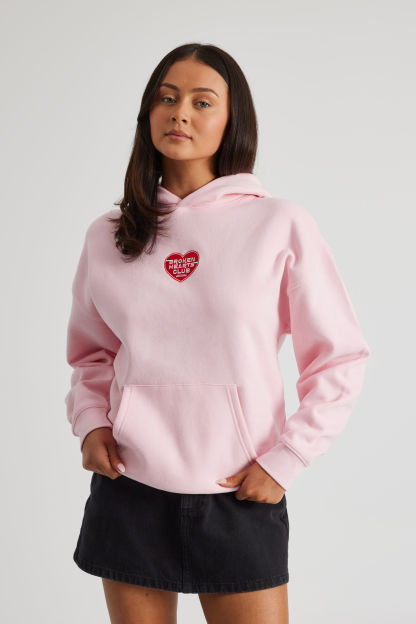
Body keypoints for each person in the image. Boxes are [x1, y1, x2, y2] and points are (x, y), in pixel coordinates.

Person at [65, 42, 371, 624]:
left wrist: (289, 457)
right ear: (147, 113)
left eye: (201, 102)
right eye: (166, 98)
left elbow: (339, 357)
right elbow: (92, 353)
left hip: (240, 489)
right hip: (129, 485)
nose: (179, 113)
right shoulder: (108, 234)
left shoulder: (278, 223)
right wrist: (92, 422)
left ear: (233, 120)